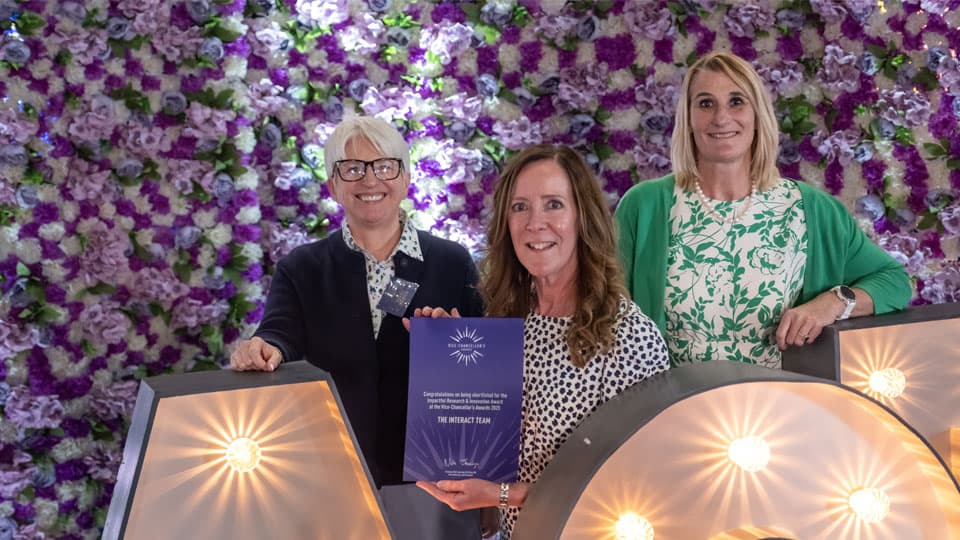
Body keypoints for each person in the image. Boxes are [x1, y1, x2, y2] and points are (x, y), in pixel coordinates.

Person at [230, 116, 484, 539]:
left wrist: (458, 342)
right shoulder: (303, 268)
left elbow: (484, 369)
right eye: (352, 168)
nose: (369, 179)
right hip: (333, 477)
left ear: (405, 178)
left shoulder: (451, 262)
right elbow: (279, 332)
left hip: (435, 480)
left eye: (384, 166)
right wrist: (263, 347)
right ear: (333, 185)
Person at [414, 144, 669, 538]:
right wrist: (452, 360)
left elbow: (637, 485)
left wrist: (503, 495)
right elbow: (493, 444)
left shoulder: (628, 335)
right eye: (520, 207)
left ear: (583, 218)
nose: (535, 223)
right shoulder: (508, 321)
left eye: (553, 205)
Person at [615, 51, 912, 368]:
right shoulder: (644, 206)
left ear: (758, 115)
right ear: (688, 119)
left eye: (736, 102)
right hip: (674, 398)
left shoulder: (812, 209)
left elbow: (895, 282)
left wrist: (834, 302)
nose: (721, 118)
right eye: (705, 103)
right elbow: (604, 312)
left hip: (784, 396)